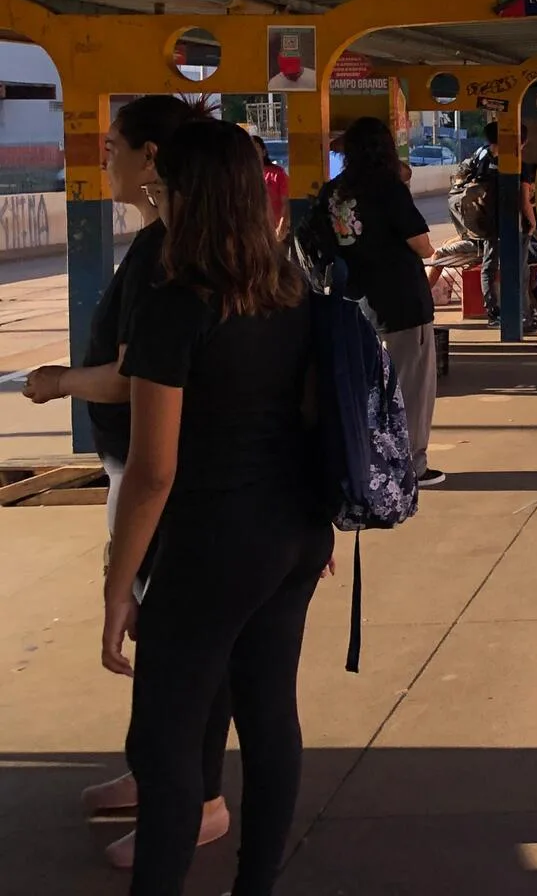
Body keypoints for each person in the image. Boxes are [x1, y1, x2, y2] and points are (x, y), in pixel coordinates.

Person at [108, 118, 331, 895]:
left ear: (192, 199)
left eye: (162, 189)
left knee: (164, 742)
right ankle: (255, 886)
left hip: (213, 543)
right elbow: (308, 422)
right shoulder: (294, 291)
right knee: (270, 717)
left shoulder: (178, 306)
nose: (155, 201)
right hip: (294, 534)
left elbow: (153, 471)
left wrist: (118, 584)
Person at [25, 96, 234, 870]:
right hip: (143, 469)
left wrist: (59, 382)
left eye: (112, 146)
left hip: (162, 478)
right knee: (168, 644)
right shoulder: (158, 248)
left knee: (178, 645)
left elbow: (136, 379)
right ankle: (160, 777)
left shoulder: (169, 263)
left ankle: (198, 798)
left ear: (155, 161)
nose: (101, 159)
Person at [320, 118, 443, 487]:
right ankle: (410, 465)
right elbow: (420, 242)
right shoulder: (388, 188)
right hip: (403, 302)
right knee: (411, 388)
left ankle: (366, 459)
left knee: (365, 386)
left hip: (355, 302)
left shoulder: (334, 192)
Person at [457, 123, 500, 322]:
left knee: (490, 264)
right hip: (491, 220)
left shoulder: (480, 153)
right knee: (490, 264)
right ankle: (493, 310)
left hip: (483, 218)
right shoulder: (489, 158)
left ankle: (494, 308)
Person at [252, 136, 289, 243]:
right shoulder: (243, 175)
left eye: (255, 149)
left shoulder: (277, 173)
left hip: (275, 232)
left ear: (263, 152)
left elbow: (285, 203)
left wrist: (281, 228)